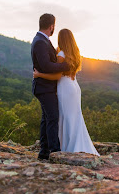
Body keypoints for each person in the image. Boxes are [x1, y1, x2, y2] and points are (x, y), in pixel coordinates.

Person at [33, 28, 100, 156]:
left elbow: (57, 76)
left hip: (64, 87)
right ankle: (77, 145)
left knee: (64, 117)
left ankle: (67, 148)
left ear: (61, 39)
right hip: (74, 87)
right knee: (74, 117)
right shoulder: (75, 54)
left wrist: (39, 74)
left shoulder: (61, 55)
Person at [31, 13, 70, 160]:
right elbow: (46, 66)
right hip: (44, 87)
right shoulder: (41, 41)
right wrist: (65, 65)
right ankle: (54, 152)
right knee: (53, 118)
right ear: (52, 26)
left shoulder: (42, 40)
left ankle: (44, 152)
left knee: (46, 119)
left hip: (44, 87)